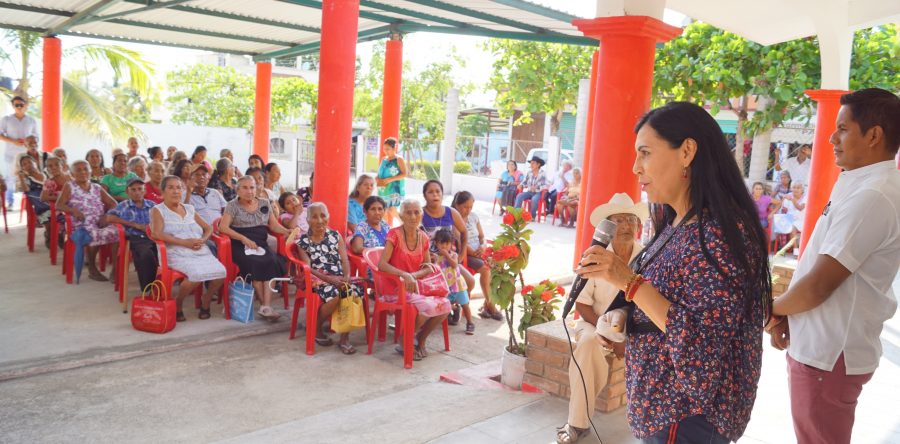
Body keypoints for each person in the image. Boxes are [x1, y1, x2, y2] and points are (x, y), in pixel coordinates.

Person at [577, 102, 771, 443]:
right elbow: (668, 307)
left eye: (646, 153)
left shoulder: (719, 235)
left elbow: (700, 348)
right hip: (662, 412)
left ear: (687, 151)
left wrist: (627, 280)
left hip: (688, 418)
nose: (636, 167)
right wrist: (624, 316)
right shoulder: (677, 223)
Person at [767, 89, 900, 444]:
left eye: (843, 129)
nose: (831, 137)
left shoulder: (873, 195)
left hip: (829, 356)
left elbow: (818, 286)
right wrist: (787, 316)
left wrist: (769, 310)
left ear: (873, 135)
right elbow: (816, 266)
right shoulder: (859, 182)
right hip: (818, 347)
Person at [556, 194, 646, 444]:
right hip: (594, 322)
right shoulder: (595, 254)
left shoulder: (647, 257)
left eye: (631, 219)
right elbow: (582, 304)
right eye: (619, 220)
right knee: (586, 346)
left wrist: (623, 336)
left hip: (632, 326)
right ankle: (577, 423)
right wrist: (608, 334)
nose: (627, 226)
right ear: (608, 225)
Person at [377, 199, 451, 361]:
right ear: (401, 216)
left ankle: (421, 339)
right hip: (395, 288)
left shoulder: (423, 237)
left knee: (446, 305)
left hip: (416, 287)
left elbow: (427, 266)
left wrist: (413, 276)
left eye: (416, 212)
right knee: (427, 306)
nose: (413, 216)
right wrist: (404, 275)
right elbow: (382, 264)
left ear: (421, 215)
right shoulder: (394, 234)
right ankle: (405, 339)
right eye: (408, 212)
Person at [150, 176, 227, 321]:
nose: (175, 191)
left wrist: (203, 240)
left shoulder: (189, 209)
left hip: (199, 250)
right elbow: (156, 233)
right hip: (176, 252)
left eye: (179, 188)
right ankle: (178, 303)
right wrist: (184, 243)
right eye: (171, 188)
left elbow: (208, 228)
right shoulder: (158, 210)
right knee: (196, 274)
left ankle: (206, 299)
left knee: (221, 272)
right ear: (163, 191)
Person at [290, 202, 363, 355]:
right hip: (318, 278)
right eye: (314, 217)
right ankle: (316, 328)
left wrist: (347, 277)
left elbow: (344, 260)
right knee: (337, 295)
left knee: (352, 292)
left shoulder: (335, 236)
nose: (319, 220)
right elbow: (309, 268)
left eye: (323, 216)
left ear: (328, 217)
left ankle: (344, 338)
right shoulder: (303, 242)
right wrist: (331, 280)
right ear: (308, 220)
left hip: (339, 277)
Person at [218, 175, 291, 321]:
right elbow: (223, 227)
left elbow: (273, 225)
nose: (249, 191)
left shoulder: (264, 203)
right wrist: (243, 239)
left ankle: (266, 306)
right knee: (256, 262)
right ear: (237, 190)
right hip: (240, 244)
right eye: (244, 188)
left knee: (271, 260)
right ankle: (265, 306)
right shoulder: (232, 205)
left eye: (252, 187)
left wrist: (286, 231)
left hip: (260, 243)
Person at [56, 160, 121, 282]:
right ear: (72, 173)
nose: (83, 172)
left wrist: (106, 216)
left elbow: (113, 203)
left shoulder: (97, 187)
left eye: (85, 169)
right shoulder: (69, 186)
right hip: (80, 223)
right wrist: (72, 210)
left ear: (90, 171)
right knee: (93, 233)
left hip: (100, 221)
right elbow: (58, 205)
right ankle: (92, 267)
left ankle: (115, 270)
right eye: (78, 170)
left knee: (119, 232)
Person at [450, 191, 502, 320]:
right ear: (457, 205)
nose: (468, 210)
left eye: (470, 207)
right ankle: (490, 304)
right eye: (465, 207)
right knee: (485, 268)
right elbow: (460, 240)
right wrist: (475, 253)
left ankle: (486, 303)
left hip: (479, 251)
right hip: (467, 254)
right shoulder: (454, 219)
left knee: (500, 266)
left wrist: (483, 246)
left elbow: (482, 236)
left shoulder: (474, 217)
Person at [106, 178, 158, 291]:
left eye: (140, 189)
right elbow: (109, 217)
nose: (137, 192)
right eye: (133, 190)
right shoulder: (123, 206)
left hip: (153, 236)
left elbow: (163, 219)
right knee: (145, 254)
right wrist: (135, 225)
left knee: (163, 253)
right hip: (135, 237)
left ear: (144, 191)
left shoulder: (152, 205)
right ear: (127, 191)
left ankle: (159, 283)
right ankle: (148, 288)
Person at [433, 229, 474, 334]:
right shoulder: (436, 256)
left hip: (457, 285)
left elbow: (454, 265)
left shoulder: (453, 255)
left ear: (451, 244)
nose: (444, 246)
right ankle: (454, 309)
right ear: (436, 243)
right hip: (445, 287)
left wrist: (446, 255)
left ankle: (470, 322)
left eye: (447, 243)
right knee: (445, 304)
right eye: (441, 243)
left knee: (465, 303)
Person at [1, 96, 39, 205]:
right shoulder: (6, 119)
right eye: (16, 105)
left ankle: (29, 203)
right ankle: (10, 202)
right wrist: (13, 141)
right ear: (13, 106)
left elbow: (36, 137)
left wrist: (29, 142)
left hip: (26, 156)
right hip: (10, 155)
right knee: (10, 178)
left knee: (29, 179)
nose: (19, 107)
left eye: (21, 105)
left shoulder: (31, 120)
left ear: (25, 105)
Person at [39, 156, 69, 248]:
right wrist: (61, 197)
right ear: (47, 169)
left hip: (73, 206)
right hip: (60, 210)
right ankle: (60, 236)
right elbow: (43, 197)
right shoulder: (49, 182)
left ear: (63, 166)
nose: (54, 167)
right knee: (65, 220)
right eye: (50, 166)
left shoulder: (70, 178)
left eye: (57, 165)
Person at [376, 138, 407, 223]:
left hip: (393, 188)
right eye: (384, 149)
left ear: (394, 149)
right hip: (383, 188)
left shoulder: (398, 159)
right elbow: (379, 172)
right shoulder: (384, 159)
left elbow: (404, 174)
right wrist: (377, 178)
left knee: (392, 209)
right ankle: (387, 231)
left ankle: (404, 224)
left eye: (388, 149)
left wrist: (390, 179)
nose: (385, 151)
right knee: (384, 210)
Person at [772, 182, 806, 254]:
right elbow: (784, 210)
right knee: (788, 226)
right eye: (794, 187)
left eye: (798, 187)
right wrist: (783, 203)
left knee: (792, 227)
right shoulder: (788, 196)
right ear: (791, 188)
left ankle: (796, 250)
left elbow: (800, 208)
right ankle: (790, 249)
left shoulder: (805, 197)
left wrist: (792, 199)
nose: (796, 189)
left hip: (801, 220)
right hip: (789, 219)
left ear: (802, 190)